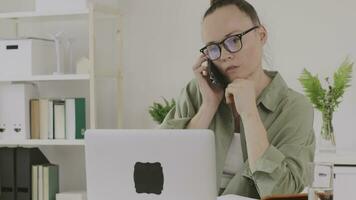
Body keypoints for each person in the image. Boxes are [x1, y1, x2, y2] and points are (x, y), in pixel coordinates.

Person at [160, 0, 315, 199]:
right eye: (213, 48)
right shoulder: (197, 91)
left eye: (233, 40)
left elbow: (282, 191)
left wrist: (250, 114)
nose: (224, 55)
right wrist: (208, 105)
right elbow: (162, 166)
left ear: (261, 35)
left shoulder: (294, 108)